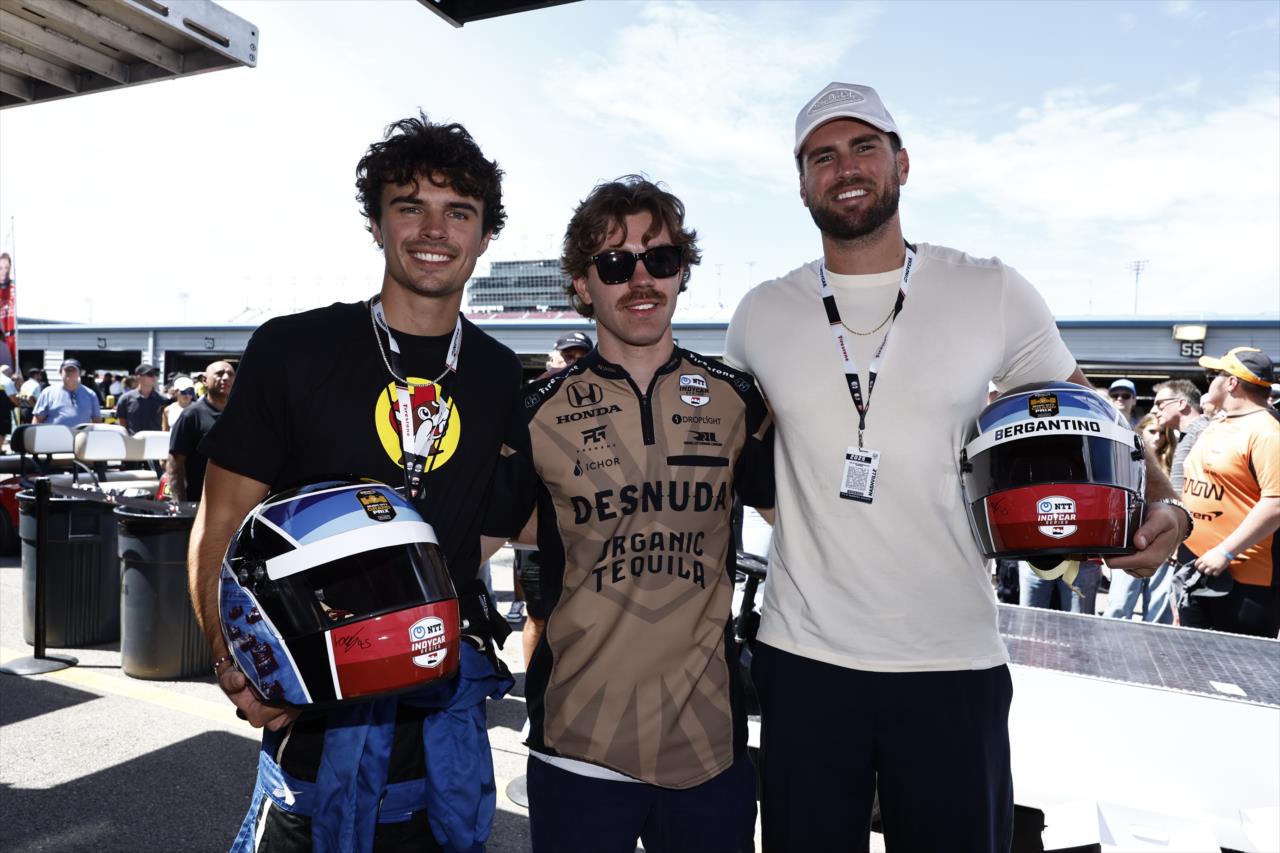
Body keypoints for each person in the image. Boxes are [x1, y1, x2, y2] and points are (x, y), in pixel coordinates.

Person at [724, 81, 1187, 852]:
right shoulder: (760, 313)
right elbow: (729, 454)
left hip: (952, 660)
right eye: (822, 156)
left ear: (902, 163)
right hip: (804, 661)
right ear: (801, 183)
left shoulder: (988, 288)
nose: (845, 168)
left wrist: (1170, 507)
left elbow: (1093, 414)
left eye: (864, 147)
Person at [187, 114, 524, 852]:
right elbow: (220, 521)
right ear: (376, 223)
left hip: (443, 725)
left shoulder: (500, 374)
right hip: (317, 720)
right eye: (410, 206)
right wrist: (231, 659)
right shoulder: (294, 349)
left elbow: (496, 520)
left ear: (484, 236)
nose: (434, 230)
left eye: (458, 212)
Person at [498, 175, 771, 853]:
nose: (642, 279)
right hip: (578, 747)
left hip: (709, 750)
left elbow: (809, 526)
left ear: (681, 272)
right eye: (617, 263)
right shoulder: (535, 410)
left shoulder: (739, 398)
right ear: (583, 284)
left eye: (661, 258)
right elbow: (469, 541)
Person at [1179, 347, 1280, 637]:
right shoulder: (1218, 424)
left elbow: (1275, 503)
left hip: (1244, 578)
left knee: (1238, 663)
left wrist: (1226, 551)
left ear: (1232, 382)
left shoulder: (1268, 432)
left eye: (1213, 375)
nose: (1208, 381)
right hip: (1196, 566)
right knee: (1188, 658)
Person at [505, 330, 596, 626]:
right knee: (539, 618)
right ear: (552, 358)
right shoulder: (530, 398)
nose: (574, 363)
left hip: (586, 532)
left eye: (582, 357)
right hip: (536, 534)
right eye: (568, 356)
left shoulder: (603, 398)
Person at [1103, 411, 1179, 623]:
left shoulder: (1175, 463)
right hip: (1129, 541)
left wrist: (1176, 541)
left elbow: (1180, 508)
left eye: (1162, 433)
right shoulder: (1122, 456)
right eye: (1152, 431)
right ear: (1140, 432)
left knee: (1158, 611)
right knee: (1118, 606)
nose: (1157, 437)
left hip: (1162, 543)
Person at [167, 361, 235, 501]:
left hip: (233, 499)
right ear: (205, 380)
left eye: (230, 374)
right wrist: (180, 502)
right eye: (219, 374)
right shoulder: (191, 415)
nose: (226, 378)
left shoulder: (240, 414)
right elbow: (175, 463)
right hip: (200, 500)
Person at [32, 359, 102, 427]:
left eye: (73, 370)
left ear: (79, 373)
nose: (70, 373)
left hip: (81, 434)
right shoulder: (48, 393)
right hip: (53, 434)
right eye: (67, 370)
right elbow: (37, 419)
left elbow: (97, 421)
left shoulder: (90, 394)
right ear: (60, 372)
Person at [115, 363, 167, 434]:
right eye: (150, 374)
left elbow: (166, 425)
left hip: (155, 440)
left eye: (156, 374)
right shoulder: (125, 399)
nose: (154, 377)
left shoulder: (163, 400)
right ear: (138, 377)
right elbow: (122, 425)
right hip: (132, 440)